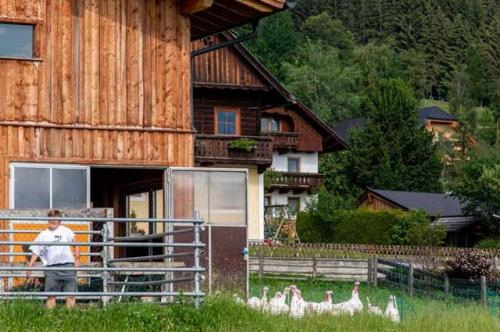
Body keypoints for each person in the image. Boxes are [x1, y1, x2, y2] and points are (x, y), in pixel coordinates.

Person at [27, 210, 80, 309]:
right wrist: (30, 265)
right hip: (51, 268)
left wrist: (77, 259)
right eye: (51, 218)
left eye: (56, 218)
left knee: (71, 295)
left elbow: (75, 243)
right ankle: (50, 320)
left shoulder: (65, 230)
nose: (53, 220)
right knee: (51, 296)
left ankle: (71, 319)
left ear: (59, 220)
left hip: (67, 265)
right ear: (48, 220)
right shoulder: (43, 234)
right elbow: (36, 251)